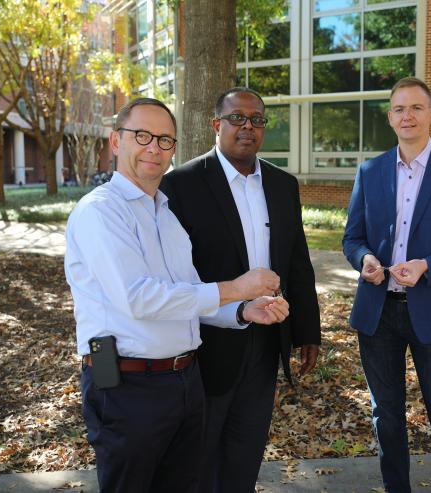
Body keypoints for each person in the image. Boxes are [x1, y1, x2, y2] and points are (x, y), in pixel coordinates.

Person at [64, 97, 289, 493]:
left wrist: (242, 311)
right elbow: (140, 299)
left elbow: (188, 297)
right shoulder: (100, 212)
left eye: (166, 140)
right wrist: (235, 287)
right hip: (125, 387)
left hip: (185, 383)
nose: (155, 147)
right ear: (116, 141)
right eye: (143, 136)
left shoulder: (166, 215)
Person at [160, 87, 321, 492]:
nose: (248, 127)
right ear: (216, 125)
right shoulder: (180, 184)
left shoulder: (284, 185)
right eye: (237, 118)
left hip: (267, 341)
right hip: (206, 344)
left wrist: (307, 331)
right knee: (200, 456)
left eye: (257, 119)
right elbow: (176, 272)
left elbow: (297, 261)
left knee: (246, 451)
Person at [342, 77, 431, 492]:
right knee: (386, 418)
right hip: (378, 311)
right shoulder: (370, 171)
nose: (408, 115)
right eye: (399, 109)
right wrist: (365, 259)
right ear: (390, 117)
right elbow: (353, 238)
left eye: (416, 108)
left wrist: (427, 265)